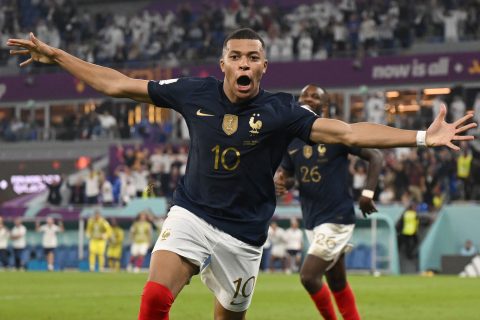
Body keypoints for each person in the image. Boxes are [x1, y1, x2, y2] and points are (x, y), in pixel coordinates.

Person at [7, 28, 475, 320]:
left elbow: (350, 133)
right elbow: (116, 84)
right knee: (153, 301)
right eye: (236, 56)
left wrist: (421, 137)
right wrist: (59, 55)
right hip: (191, 213)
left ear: (264, 66)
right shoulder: (194, 92)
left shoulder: (282, 111)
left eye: (253, 57)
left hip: (244, 236)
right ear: (224, 63)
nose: (244, 63)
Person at [275, 85, 383, 319]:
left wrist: (368, 193)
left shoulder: (335, 132)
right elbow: (290, 175)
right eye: (305, 95)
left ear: (324, 106)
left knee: (308, 277)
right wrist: (284, 183)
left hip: (336, 218)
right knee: (336, 281)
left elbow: (375, 155)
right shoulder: (292, 139)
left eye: (315, 97)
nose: (309, 99)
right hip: (312, 219)